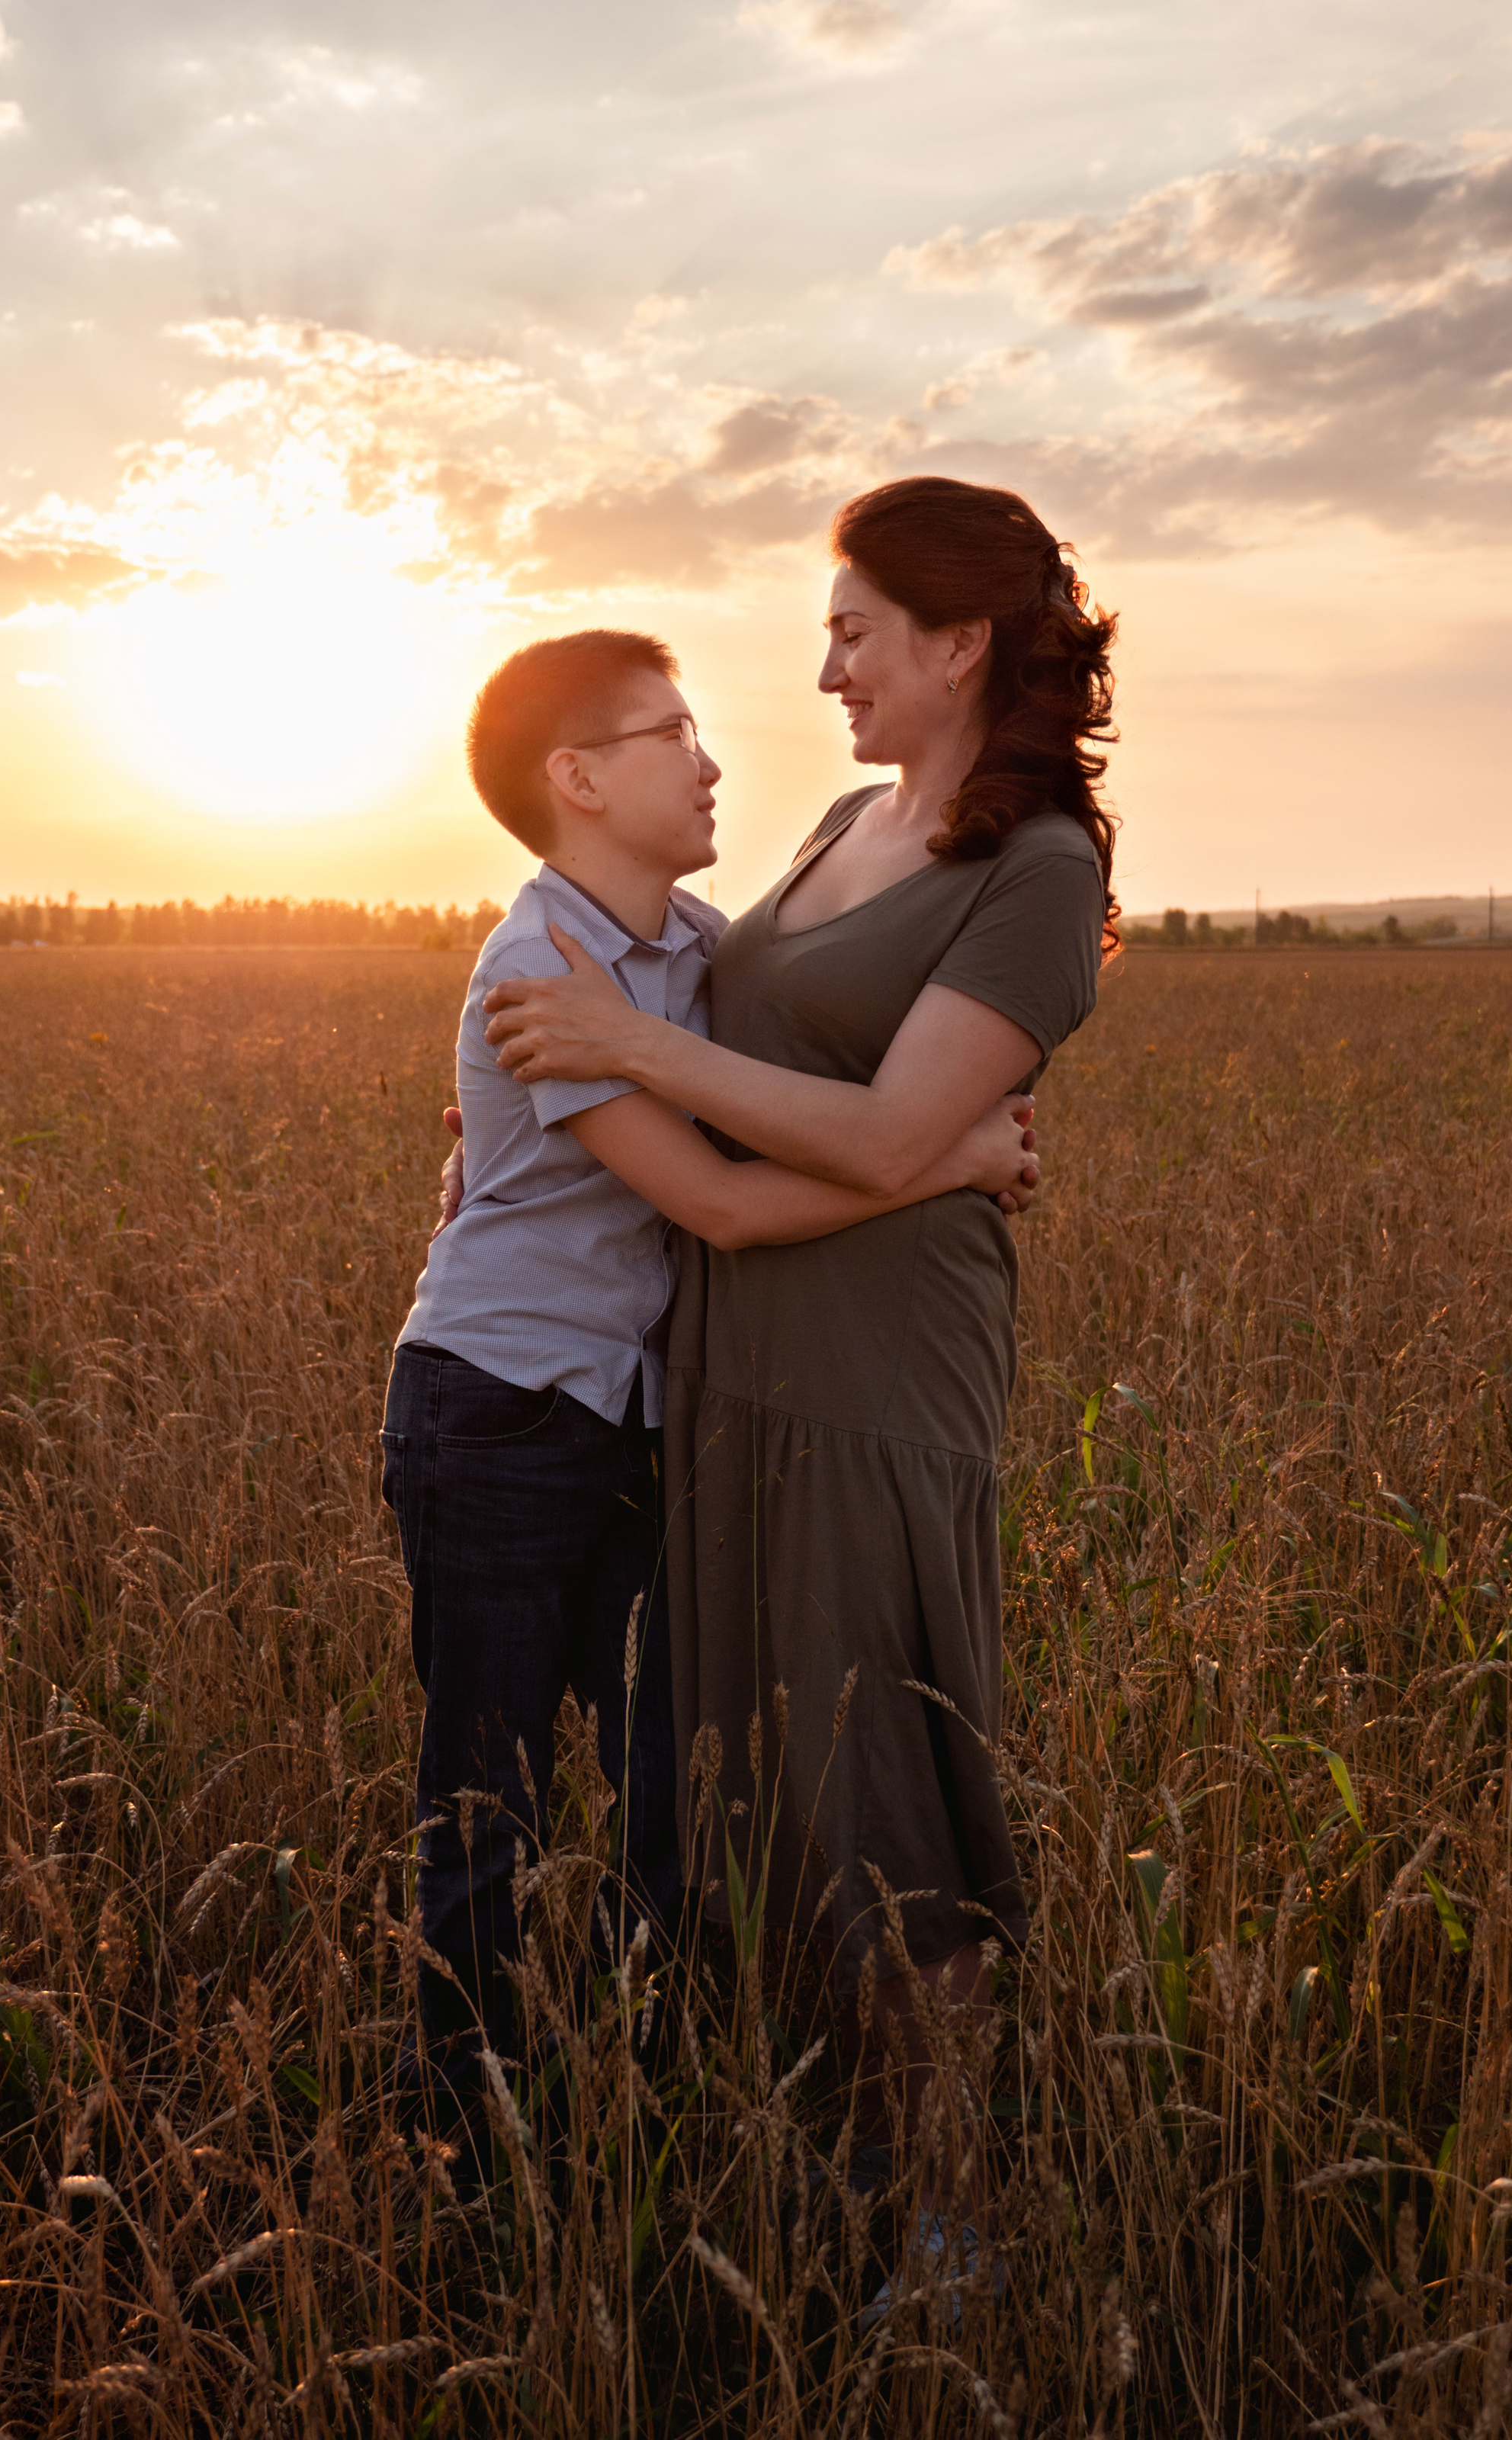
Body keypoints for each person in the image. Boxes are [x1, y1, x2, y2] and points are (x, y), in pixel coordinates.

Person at [481, 479, 1118, 2281]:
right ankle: (826, 2168)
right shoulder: (849, 818)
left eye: (850, 630)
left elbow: (895, 1127)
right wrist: (538, 1121)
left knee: (882, 1779)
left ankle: (952, 2221)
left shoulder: (1036, 868)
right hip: (731, 1349)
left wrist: (609, 1044)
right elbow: (712, 1049)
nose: (822, 667)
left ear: (957, 640)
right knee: (756, 1770)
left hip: (872, 1369)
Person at [383, 625, 1040, 2147]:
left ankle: (639, 2110)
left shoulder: (694, 947)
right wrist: (944, 1158)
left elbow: (788, 1106)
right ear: (577, 780)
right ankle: (468, 2155)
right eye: (670, 733)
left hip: (641, 1419)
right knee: (487, 1806)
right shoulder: (538, 966)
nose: (711, 758)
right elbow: (724, 1203)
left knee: (669, 1789)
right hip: (498, 1408)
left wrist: (938, 1110)